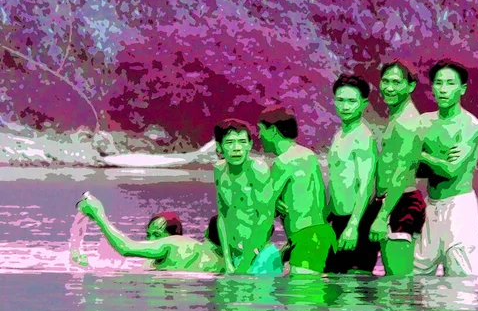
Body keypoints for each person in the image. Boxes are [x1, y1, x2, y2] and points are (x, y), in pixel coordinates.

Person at [413, 60, 478, 276]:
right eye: (438, 83)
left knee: (461, 280)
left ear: (462, 89)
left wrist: (422, 156)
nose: (443, 89)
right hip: (431, 206)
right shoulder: (424, 122)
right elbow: (412, 168)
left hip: (459, 207)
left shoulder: (469, 125)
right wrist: (427, 161)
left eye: (450, 84)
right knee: (416, 274)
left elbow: (451, 171)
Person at [258, 105, 337, 275]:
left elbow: (264, 208)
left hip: (305, 239)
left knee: (301, 298)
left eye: (261, 130)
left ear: (272, 130)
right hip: (322, 234)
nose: (259, 135)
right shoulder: (308, 155)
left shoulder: (283, 162)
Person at [368, 60, 427, 276]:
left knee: (398, 280)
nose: (389, 88)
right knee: (394, 280)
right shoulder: (397, 117)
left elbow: (401, 172)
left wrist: (383, 216)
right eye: (385, 81)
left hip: (400, 203)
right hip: (392, 201)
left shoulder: (407, 121)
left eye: (396, 82)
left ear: (410, 86)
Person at [76, 192, 224, 272]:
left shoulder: (178, 244)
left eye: (157, 236)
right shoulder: (226, 265)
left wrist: (98, 214)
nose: (151, 239)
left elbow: (125, 248)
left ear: (205, 231)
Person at [213, 118, 283, 275]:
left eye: (242, 142)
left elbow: (265, 218)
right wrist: (227, 261)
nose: (237, 148)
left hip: (260, 256)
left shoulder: (257, 170)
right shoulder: (219, 170)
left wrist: (246, 263)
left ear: (250, 145)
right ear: (219, 146)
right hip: (235, 256)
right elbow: (222, 216)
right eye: (230, 142)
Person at [324, 74, 378, 274]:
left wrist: (353, 226)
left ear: (363, 104)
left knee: (355, 289)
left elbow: (366, 186)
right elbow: (336, 182)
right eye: (340, 100)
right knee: (334, 288)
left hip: (358, 221)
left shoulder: (363, 138)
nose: (345, 106)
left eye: (351, 101)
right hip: (338, 219)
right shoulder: (339, 135)